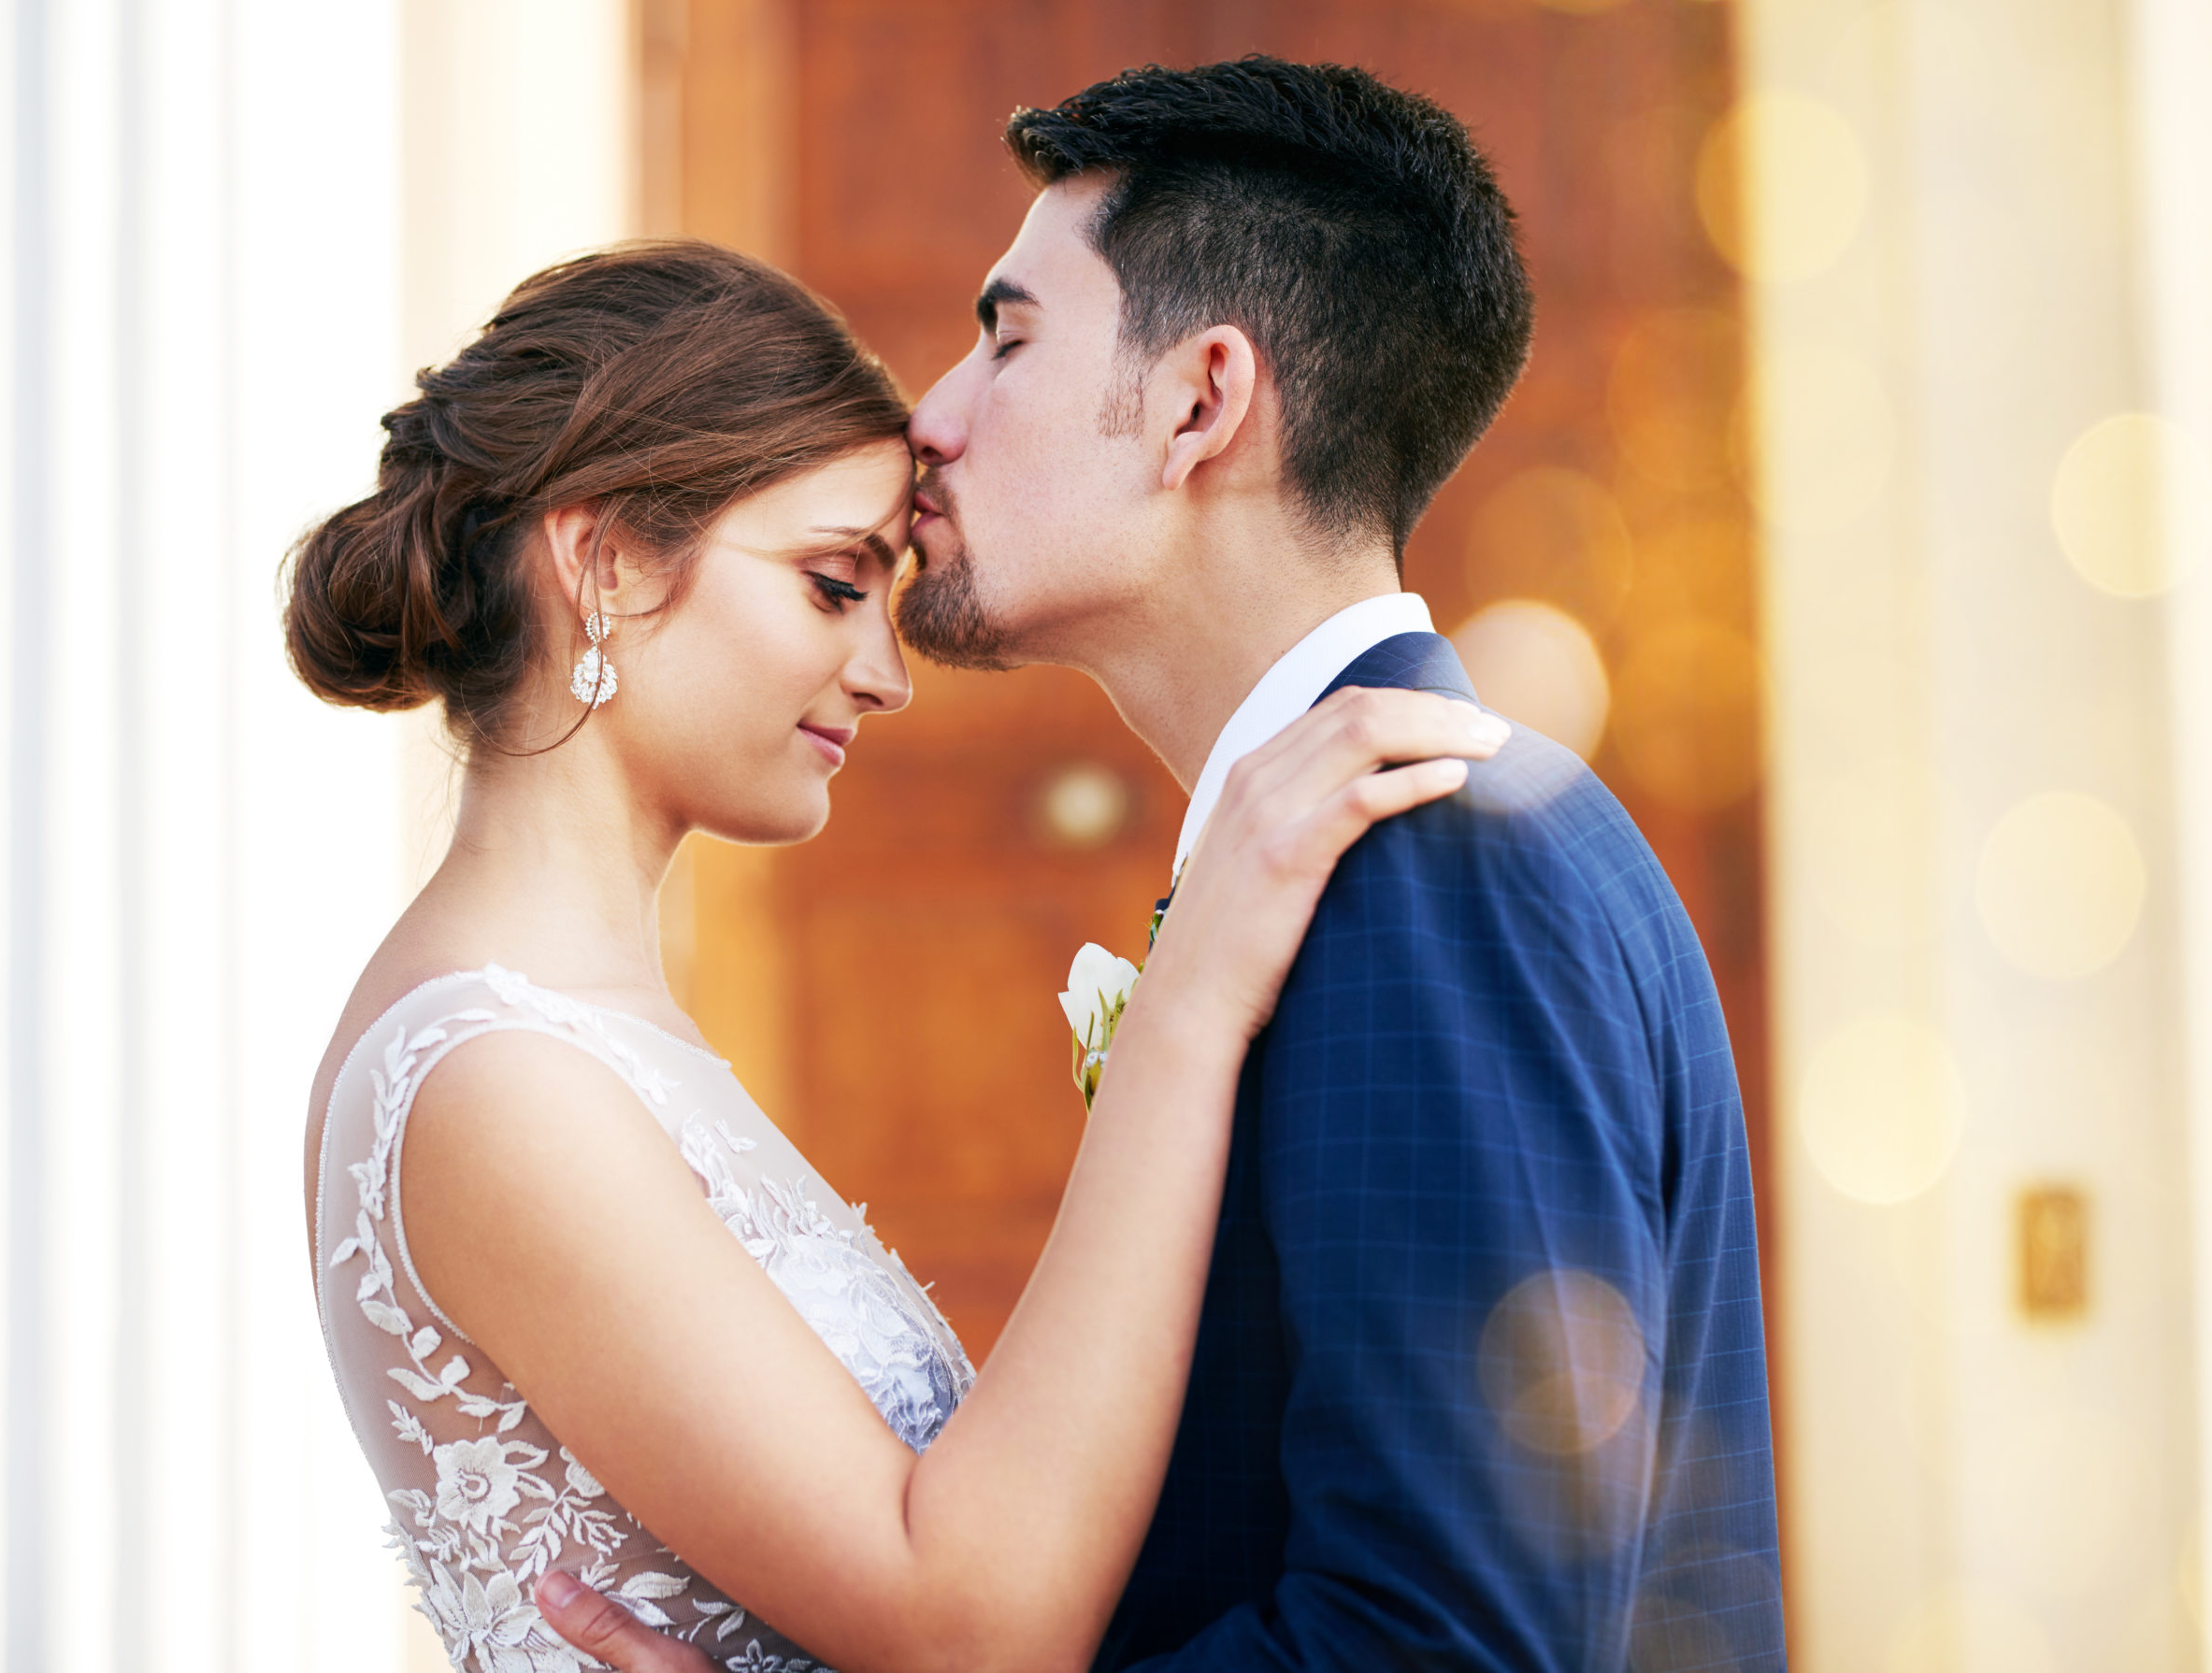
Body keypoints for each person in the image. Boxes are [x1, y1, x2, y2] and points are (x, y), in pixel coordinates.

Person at [543, 56, 1786, 1673]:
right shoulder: (1378, 845)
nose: (931, 417)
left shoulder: (1433, 870)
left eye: (1010, 336)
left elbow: (1436, 1648)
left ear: (1203, 401)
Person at [291, 240, 1503, 1673]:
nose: (887, 668)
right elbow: (967, 1617)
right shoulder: (492, 1080)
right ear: (605, 559)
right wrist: (1189, 1004)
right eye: (830, 583)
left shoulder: (583, 1033)